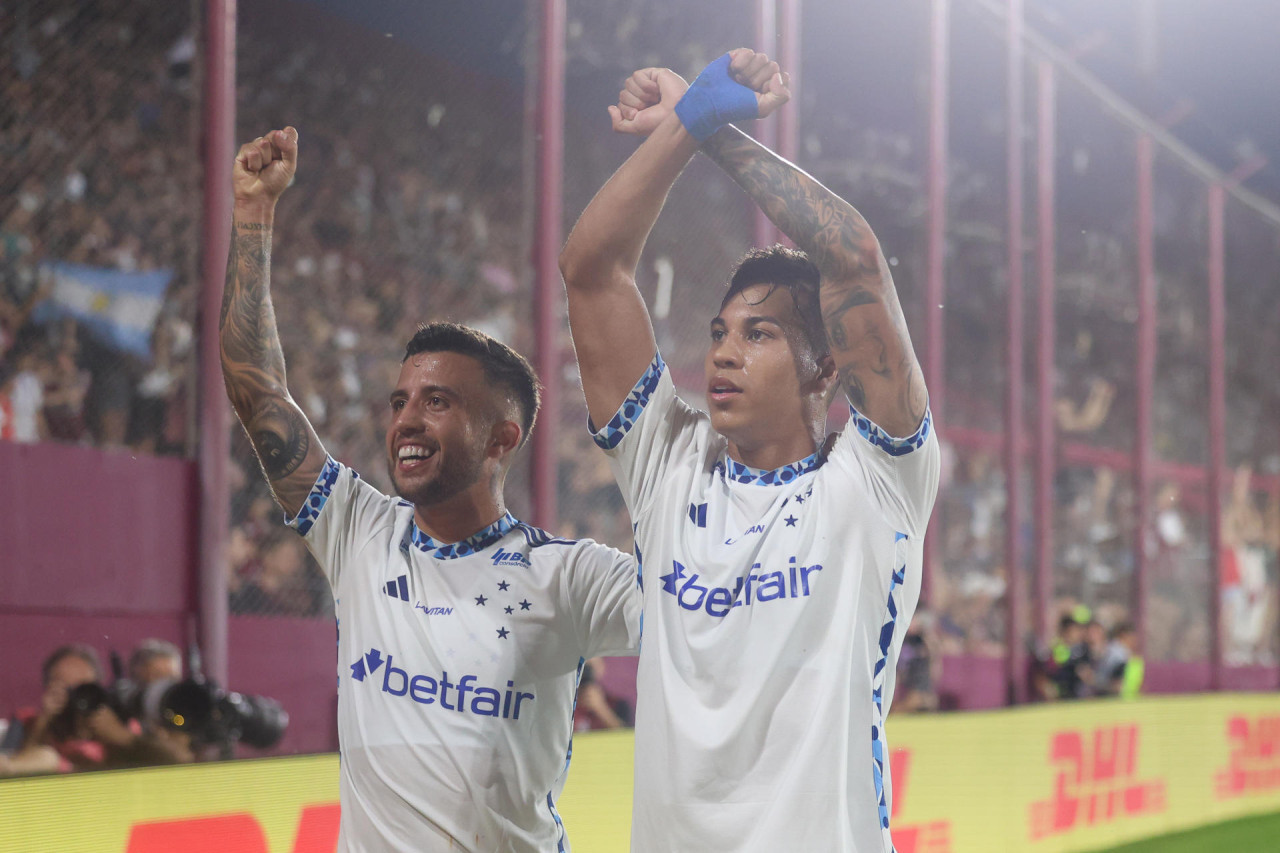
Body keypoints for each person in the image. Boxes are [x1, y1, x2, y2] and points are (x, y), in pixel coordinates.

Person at [221, 127, 641, 852]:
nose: (407, 421)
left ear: (502, 439)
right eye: (400, 402)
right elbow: (260, 397)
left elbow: (709, 622)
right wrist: (254, 217)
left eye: (438, 402)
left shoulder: (568, 577)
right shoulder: (359, 530)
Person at [559, 49, 939, 850]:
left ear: (825, 365)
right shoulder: (670, 464)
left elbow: (854, 259)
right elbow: (591, 272)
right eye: (719, 334)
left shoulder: (875, 480)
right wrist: (686, 125)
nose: (723, 354)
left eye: (759, 334)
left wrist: (718, 132)